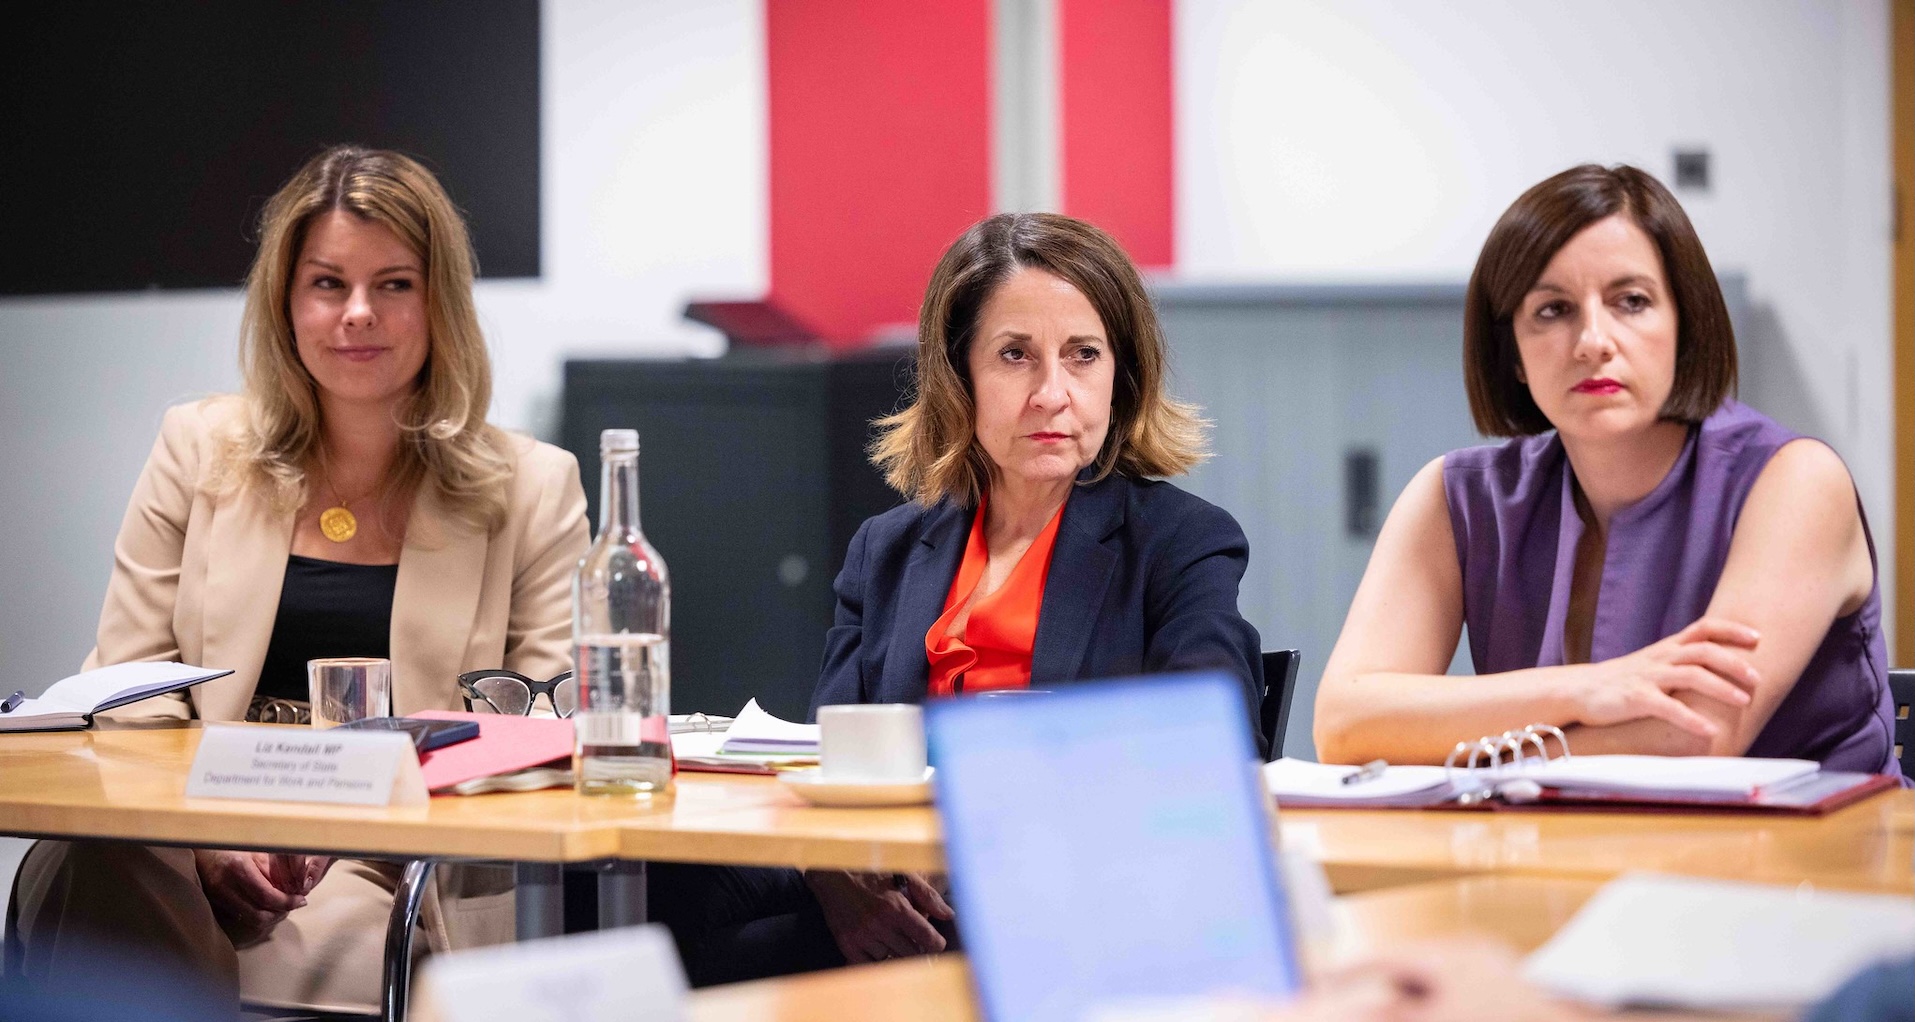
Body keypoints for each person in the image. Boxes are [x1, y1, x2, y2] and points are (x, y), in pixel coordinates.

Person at [4, 146, 590, 1016]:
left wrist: (326, 824)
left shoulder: (533, 487)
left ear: (441, 304)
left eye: (394, 284)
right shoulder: (195, 448)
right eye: (327, 284)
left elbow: (543, 733)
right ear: (285, 302)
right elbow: (127, 691)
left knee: (145, 944)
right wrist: (211, 837)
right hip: (179, 833)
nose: (358, 314)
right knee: (100, 858)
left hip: (383, 854)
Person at [652, 212, 1265, 985]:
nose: (1052, 393)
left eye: (1083, 356)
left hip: (1064, 888)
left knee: (732, 965)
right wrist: (844, 891)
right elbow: (830, 757)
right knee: (656, 895)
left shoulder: (1181, 540)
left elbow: (1207, 741)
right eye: (1015, 356)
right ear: (960, 374)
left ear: (1122, 374)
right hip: (900, 880)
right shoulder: (888, 549)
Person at [1313, 164, 1897, 773]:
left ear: (1684, 325)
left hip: (1807, 862)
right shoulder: (1456, 496)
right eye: (1552, 310)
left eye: (1632, 302)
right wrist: (1583, 688)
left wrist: (1456, 756)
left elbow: (1691, 737)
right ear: (1511, 351)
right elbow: (1344, 727)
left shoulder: (1798, 480)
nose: (1593, 340)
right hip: (1563, 856)